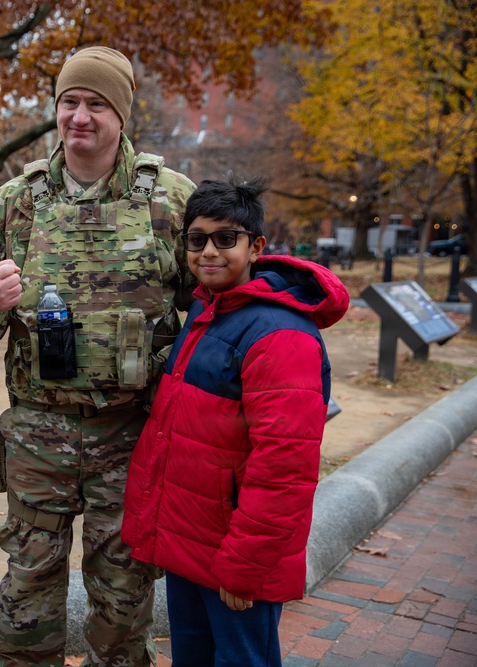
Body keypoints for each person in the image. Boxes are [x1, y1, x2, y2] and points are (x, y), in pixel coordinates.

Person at [0, 46, 197, 666]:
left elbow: (217, 303)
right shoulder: (16, 202)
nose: (80, 117)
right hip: (38, 436)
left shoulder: (171, 200)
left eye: (96, 104)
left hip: (133, 434)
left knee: (124, 603)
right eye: (69, 102)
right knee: (28, 598)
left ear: (121, 115)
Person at [121, 176, 350, 666]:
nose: (210, 251)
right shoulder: (211, 311)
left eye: (226, 239)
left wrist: (244, 567)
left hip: (237, 559)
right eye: (198, 239)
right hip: (194, 545)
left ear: (256, 246)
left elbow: (284, 468)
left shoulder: (279, 333)